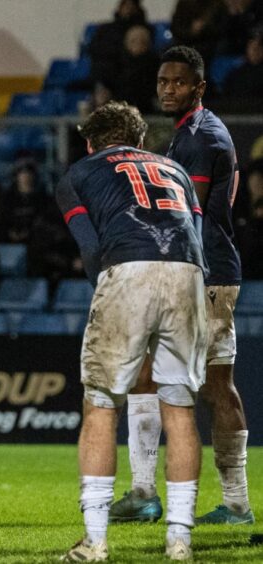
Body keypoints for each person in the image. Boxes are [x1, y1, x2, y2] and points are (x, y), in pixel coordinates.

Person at [111, 45, 255, 527]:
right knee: (211, 384)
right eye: (162, 82)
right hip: (212, 271)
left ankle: (150, 493)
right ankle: (228, 501)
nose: (168, 89)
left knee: (154, 376)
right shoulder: (196, 133)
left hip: (198, 274)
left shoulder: (196, 139)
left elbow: (183, 217)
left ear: (199, 86)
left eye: (178, 82)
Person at [56, 101, 207, 562]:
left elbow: (89, 246)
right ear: (141, 140)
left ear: (90, 142)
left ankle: (95, 541)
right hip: (189, 273)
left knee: (101, 405)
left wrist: (108, 292)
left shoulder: (79, 174)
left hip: (128, 269)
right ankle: (179, 539)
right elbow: (195, 235)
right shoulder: (175, 170)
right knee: (180, 407)